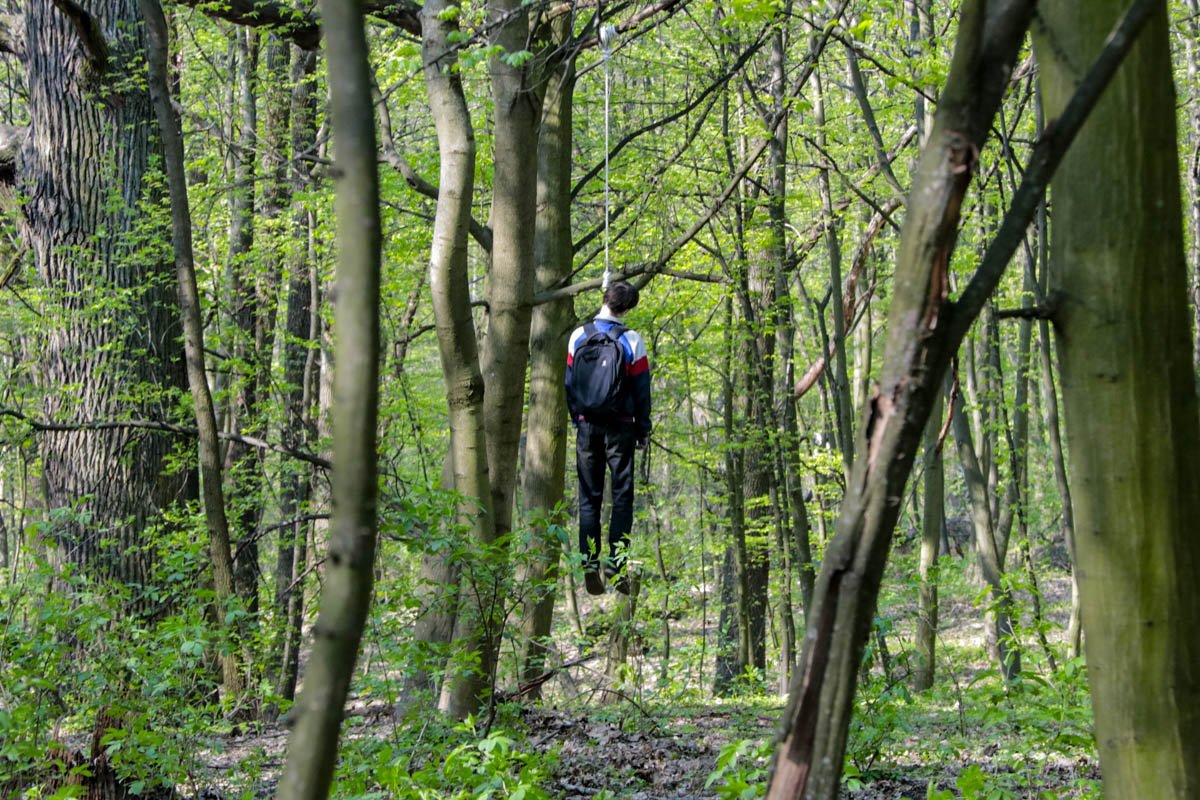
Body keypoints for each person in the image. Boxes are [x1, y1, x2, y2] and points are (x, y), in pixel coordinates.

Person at [565, 281, 651, 595]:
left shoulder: (579, 336)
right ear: (627, 308)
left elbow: (569, 384)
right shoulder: (631, 340)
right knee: (622, 497)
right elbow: (642, 391)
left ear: (604, 300)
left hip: (588, 427)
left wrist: (579, 419)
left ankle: (589, 562)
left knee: (589, 498)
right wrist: (643, 429)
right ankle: (616, 563)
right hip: (621, 428)